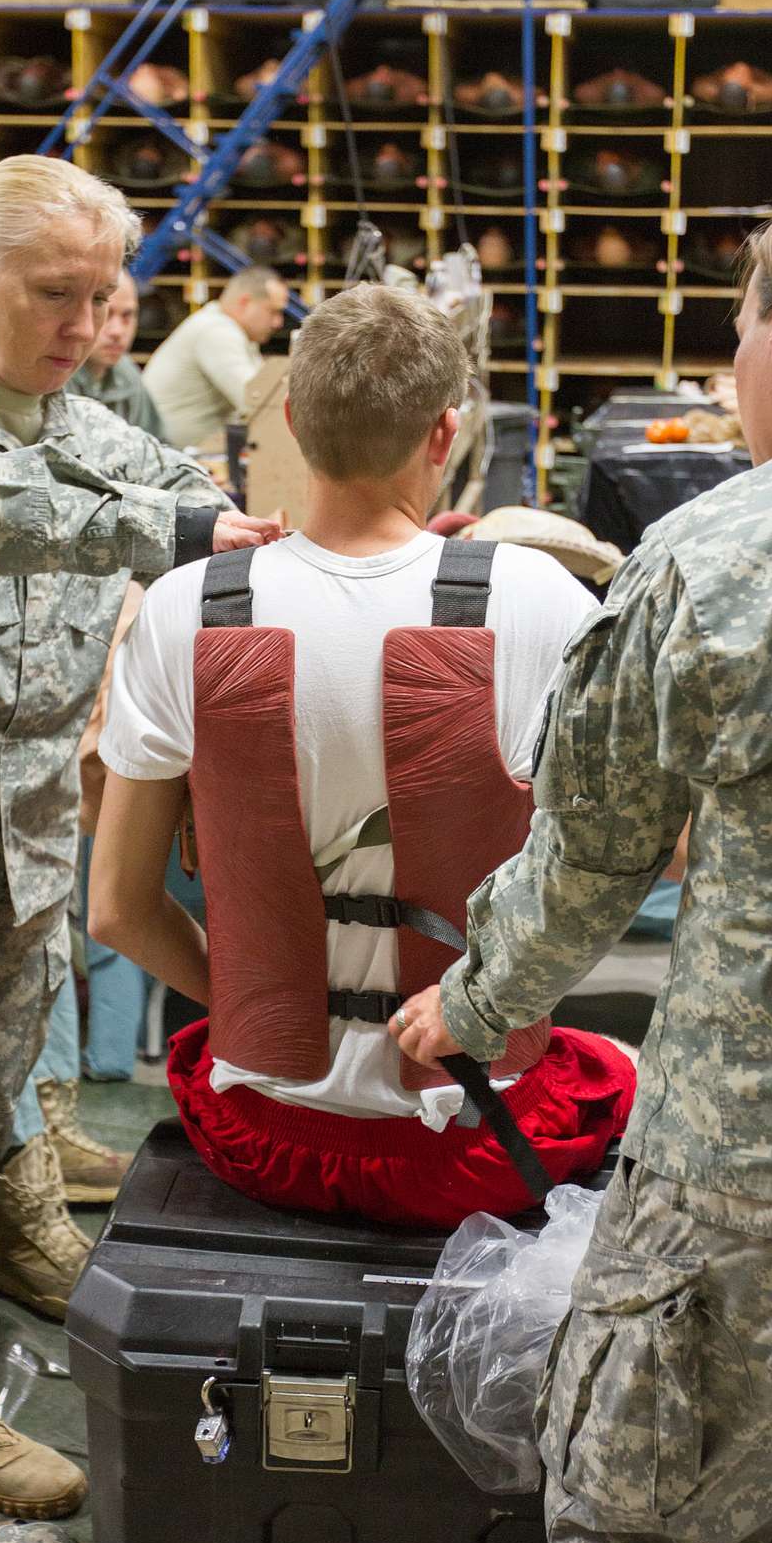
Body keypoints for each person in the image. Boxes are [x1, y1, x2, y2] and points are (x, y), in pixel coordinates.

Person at [392, 181, 772, 1543]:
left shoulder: (715, 554)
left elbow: (588, 859)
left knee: (642, 1522)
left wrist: (478, 1003)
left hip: (759, 1161)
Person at [0, 153, 279, 1520]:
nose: (87, 330)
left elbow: (208, 499)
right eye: (56, 297)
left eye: (105, 298)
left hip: (5, 848)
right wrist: (174, 526)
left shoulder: (87, 422)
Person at [89, 283, 636, 1229]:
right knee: (618, 1068)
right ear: (446, 435)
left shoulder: (187, 606)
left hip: (264, 1132)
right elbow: (626, 868)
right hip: (474, 1144)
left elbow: (117, 911)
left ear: (293, 420)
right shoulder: (539, 599)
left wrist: (268, 993)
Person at [141, 266, 289, 450]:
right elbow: (256, 402)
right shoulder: (216, 332)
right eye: (273, 312)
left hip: (180, 453)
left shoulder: (231, 331)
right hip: (174, 455)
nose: (278, 322)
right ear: (245, 303)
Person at [67, 267, 167, 440]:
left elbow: (160, 448)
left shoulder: (126, 371)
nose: (117, 331)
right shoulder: (55, 377)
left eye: (127, 316)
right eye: (107, 314)